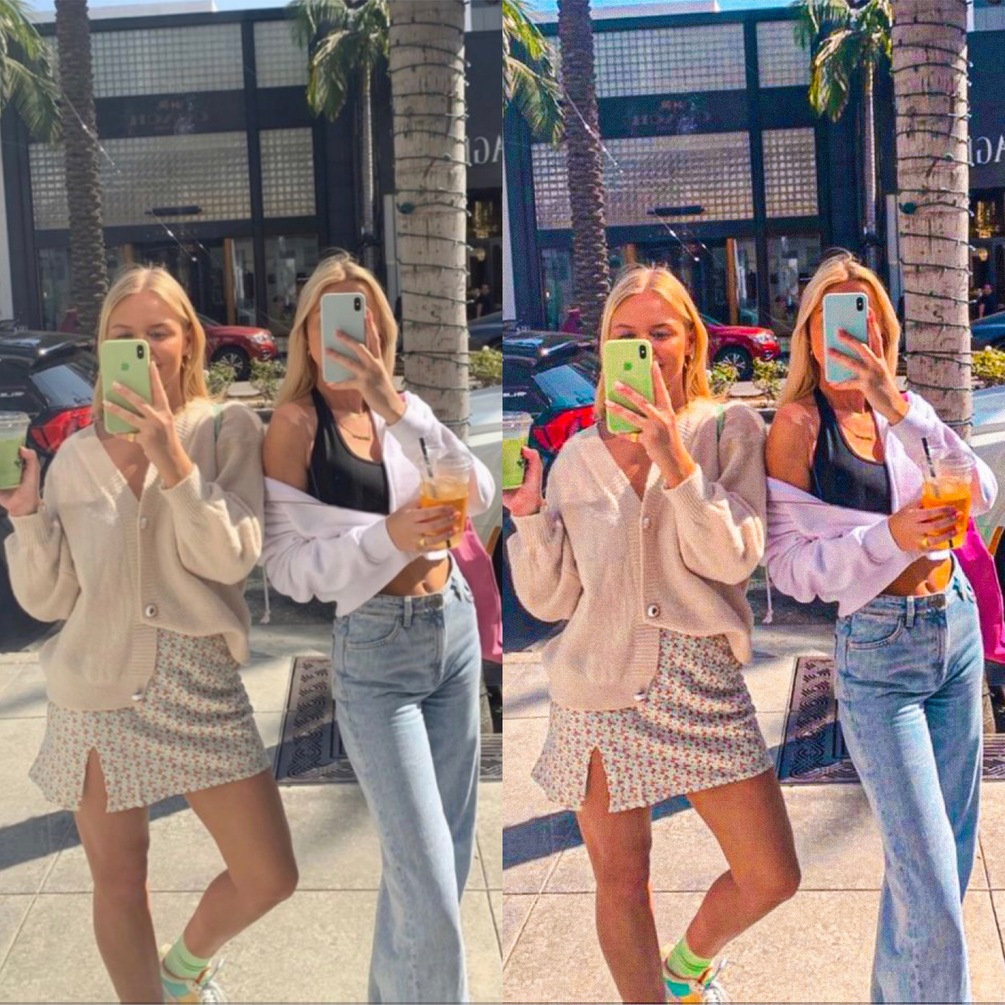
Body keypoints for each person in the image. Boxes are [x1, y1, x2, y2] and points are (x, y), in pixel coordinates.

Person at [1, 266, 298, 1004]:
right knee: (118, 881)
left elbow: (230, 557)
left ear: (188, 339)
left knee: (269, 874)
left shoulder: (225, 428)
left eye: (158, 331)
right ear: (104, 346)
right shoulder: (75, 456)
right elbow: (47, 599)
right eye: (124, 334)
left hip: (199, 684)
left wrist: (171, 457)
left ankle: (184, 966)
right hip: (95, 688)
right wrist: (27, 517)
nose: (143, 346)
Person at [505, 264, 800, 1004]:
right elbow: (549, 599)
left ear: (689, 339)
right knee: (620, 880)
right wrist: (529, 518)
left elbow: (732, 558)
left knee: (770, 874)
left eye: (660, 332)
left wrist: (673, 459)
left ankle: (687, 966)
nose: (645, 346)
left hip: (700, 683)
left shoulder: (727, 429)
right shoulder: (577, 456)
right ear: (605, 346)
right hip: (597, 687)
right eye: (626, 333)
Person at [260, 252, 495, 1003]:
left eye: (361, 316)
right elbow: (286, 568)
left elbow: (479, 491)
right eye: (328, 317)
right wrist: (388, 537)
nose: (347, 333)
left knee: (440, 868)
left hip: (453, 629)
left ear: (382, 330)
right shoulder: (296, 425)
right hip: (375, 652)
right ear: (305, 333)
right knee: (426, 885)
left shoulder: (403, 411)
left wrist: (396, 406)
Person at [764, 250, 997, 1003]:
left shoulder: (903, 412)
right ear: (808, 333)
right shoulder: (798, 425)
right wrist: (890, 537)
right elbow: (788, 568)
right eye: (830, 317)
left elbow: (980, 491)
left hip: (954, 629)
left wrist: (899, 407)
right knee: (927, 883)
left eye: (862, 317)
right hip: (878, 654)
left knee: (941, 867)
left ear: (883, 331)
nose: (848, 334)